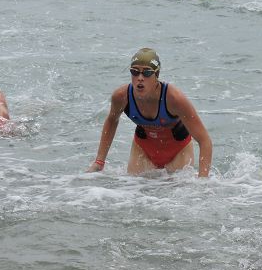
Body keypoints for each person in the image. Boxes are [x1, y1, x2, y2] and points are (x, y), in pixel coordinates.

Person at [87, 48, 212, 177]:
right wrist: (99, 162)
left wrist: (203, 181)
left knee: (175, 195)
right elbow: (112, 121)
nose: (140, 78)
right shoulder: (121, 96)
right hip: (143, 151)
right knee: (132, 193)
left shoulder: (174, 99)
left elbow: (204, 140)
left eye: (146, 73)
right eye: (135, 72)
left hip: (178, 153)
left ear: (156, 75)